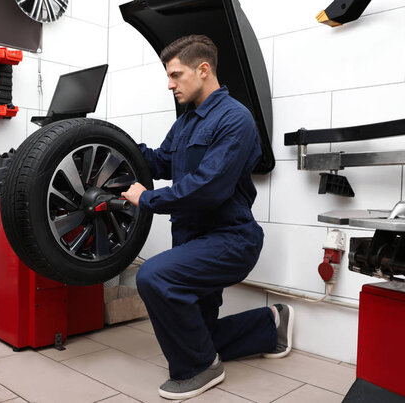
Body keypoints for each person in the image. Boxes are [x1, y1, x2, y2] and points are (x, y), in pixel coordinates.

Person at [121, 35, 294, 400]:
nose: (169, 84)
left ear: (203, 69)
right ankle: (271, 323)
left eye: (175, 75)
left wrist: (147, 198)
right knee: (199, 334)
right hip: (191, 238)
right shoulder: (187, 121)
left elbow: (208, 188)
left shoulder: (236, 119)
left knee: (153, 276)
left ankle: (200, 369)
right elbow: (159, 161)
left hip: (229, 240)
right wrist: (111, 141)